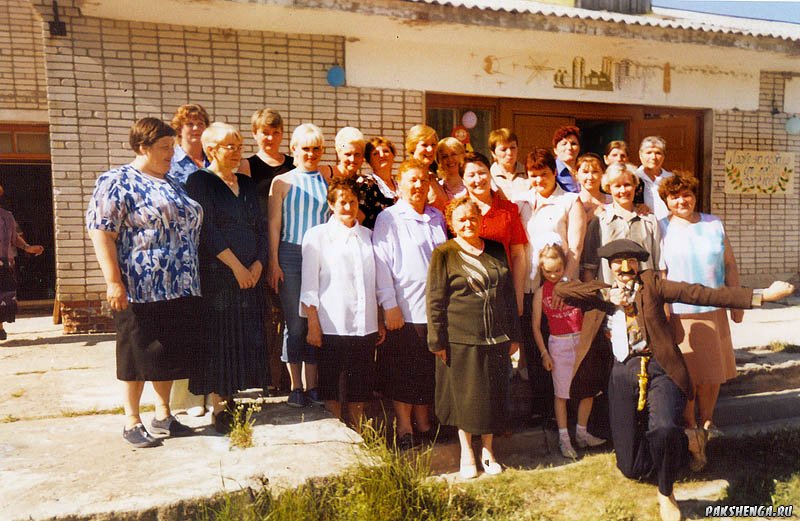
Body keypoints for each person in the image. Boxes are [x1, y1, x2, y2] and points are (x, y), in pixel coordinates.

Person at [554, 238, 794, 521]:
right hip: (622, 372)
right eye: (618, 261)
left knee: (665, 428)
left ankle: (666, 491)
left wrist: (761, 295)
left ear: (639, 264)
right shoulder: (600, 294)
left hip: (661, 368)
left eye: (631, 261)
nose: (625, 267)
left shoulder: (652, 285)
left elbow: (700, 294)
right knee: (631, 467)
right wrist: (608, 297)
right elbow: (561, 289)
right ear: (610, 266)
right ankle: (683, 444)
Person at [87, 117, 202, 447]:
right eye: (165, 148)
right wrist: (113, 281)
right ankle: (131, 420)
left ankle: (163, 415)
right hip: (139, 285)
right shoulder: (118, 180)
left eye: (173, 147)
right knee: (135, 352)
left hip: (178, 284)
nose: (171, 153)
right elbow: (101, 232)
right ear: (143, 147)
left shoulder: (172, 181)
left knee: (165, 351)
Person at [427, 197, 521, 479]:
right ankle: (467, 453)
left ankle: (488, 452)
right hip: (460, 338)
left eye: (472, 218)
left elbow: (507, 295)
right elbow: (435, 299)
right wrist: (437, 340)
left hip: (495, 336)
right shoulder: (444, 253)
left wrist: (514, 334)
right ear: (452, 225)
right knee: (465, 400)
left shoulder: (494, 249)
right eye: (461, 220)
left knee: (492, 397)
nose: (468, 223)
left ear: (480, 220)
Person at [185, 122, 269, 434]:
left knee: (244, 334)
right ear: (211, 150)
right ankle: (219, 406)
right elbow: (207, 230)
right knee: (221, 337)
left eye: (238, 145)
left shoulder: (246, 184)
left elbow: (260, 225)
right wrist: (237, 267)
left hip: (251, 273)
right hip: (220, 275)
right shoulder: (198, 182)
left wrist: (259, 262)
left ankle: (236, 397)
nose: (236, 152)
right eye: (229, 146)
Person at [658, 171, 741, 471]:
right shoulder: (661, 227)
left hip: (714, 311)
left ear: (695, 195)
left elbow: (729, 264)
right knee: (689, 378)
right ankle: (692, 430)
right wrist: (664, 311)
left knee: (713, 374)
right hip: (681, 313)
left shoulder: (713, 224)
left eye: (687, 194)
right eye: (674, 196)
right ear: (666, 201)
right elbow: (661, 274)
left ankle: (708, 423)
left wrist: (736, 301)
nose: (682, 200)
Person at [374, 158, 447, 450]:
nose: (418, 185)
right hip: (403, 307)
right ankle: (404, 428)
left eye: (423, 180)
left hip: (434, 307)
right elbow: (381, 262)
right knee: (404, 370)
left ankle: (425, 423)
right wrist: (389, 304)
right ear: (400, 184)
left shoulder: (436, 216)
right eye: (412, 180)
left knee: (426, 368)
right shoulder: (389, 218)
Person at [301, 177, 383, 431]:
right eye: (342, 202)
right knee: (333, 384)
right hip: (332, 323)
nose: (348, 207)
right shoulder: (317, 236)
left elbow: (376, 281)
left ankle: (358, 429)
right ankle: (338, 431)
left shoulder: (368, 236)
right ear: (331, 205)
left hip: (364, 324)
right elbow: (309, 285)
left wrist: (379, 319)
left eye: (352, 202)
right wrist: (313, 323)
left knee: (360, 382)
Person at [268, 124, 330, 408]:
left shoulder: (328, 177)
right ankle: (296, 386)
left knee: (315, 317)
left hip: (321, 255)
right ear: (293, 149)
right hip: (290, 254)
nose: (311, 154)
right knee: (295, 321)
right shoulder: (282, 182)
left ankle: (314, 384)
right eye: (306, 148)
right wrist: (274, 262)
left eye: (317, 148)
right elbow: (274, 224)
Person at [532, 239, 606, 459]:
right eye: (548, 272)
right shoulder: (540, 294)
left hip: (581, 342)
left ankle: (582, 433)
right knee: (562, 394)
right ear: (541, 270)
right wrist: (545, 352)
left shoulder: (575, 286)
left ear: (565, 267)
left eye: (558, 270)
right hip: (559, 344)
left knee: (587, 390)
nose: (553, 276)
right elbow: (535, 327)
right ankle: (565, 439)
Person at [239, 108, 294, 397]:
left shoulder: (294, 164)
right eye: (264, 132)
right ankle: (267, 378)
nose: (270, 137)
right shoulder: (248, 166)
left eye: (275, 132)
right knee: (266, 317)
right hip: (262, 244)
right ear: (255, 134)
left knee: (289, 315)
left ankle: (287, 379)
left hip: (291, 244)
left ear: (282, 134)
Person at [582, 162, 662, 284]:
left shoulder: (649, 220)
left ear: (635, 185)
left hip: (644, 296)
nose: (623, 190)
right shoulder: (599, 221)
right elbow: (590, 268)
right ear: (609, 188)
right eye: (617, 186)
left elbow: (658, 265)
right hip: (610, 297)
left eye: (627, 185)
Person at [0, 186, 44, 340]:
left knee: (4, 299)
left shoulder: (6, 216)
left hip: (4, 263)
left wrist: (27, 247)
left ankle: (0, 327)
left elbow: (14, 237)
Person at [405, 124, 448, 213]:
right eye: (424, 145)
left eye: (433, 145)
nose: (430, 149)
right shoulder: (409, 176)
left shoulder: (432, 176)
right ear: (413, 147)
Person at [358, 136, 398, 229]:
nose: (382, 155)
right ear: (369, 161)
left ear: (393, 156)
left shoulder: (400, 185)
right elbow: (357, 221)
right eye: (375, 153)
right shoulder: (367, 183)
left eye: (386, 151)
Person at [168, 104, 210, 185]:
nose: (196, 128)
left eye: (200, 124)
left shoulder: (214, 159)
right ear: (179, 129)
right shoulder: (169, 161)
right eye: (190, 124)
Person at [636, 136, 673, 219]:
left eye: (658, 153)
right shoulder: (633, 177)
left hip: (668, 226)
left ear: (664, 156)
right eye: (649, 153)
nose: (653, 157)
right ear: (640, 154)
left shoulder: (671, 179)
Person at [488, 128, 528, 201]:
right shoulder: (489, 176)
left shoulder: (528, 173)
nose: (509, 153)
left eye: (513, 147)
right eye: (503, 149)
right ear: (493, 153)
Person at [576, 153, 611, 219]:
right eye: (585, 172)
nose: (590, 177)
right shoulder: (572, 202)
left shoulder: (612, 201)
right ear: (576, 175)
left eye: (595, 172)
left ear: (603, 174)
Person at [435, 137, 467, 202]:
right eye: (444, 156)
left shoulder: (471, 185)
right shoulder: (437, 188)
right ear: (439, 161)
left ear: (462, 155)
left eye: (453, 154)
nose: (450, 159)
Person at [552, 125, 581, 193]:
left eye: (573, 144)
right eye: (564, 144)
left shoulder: (584, 169)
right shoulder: (551, 171)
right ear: (555, 149)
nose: (569, 148)